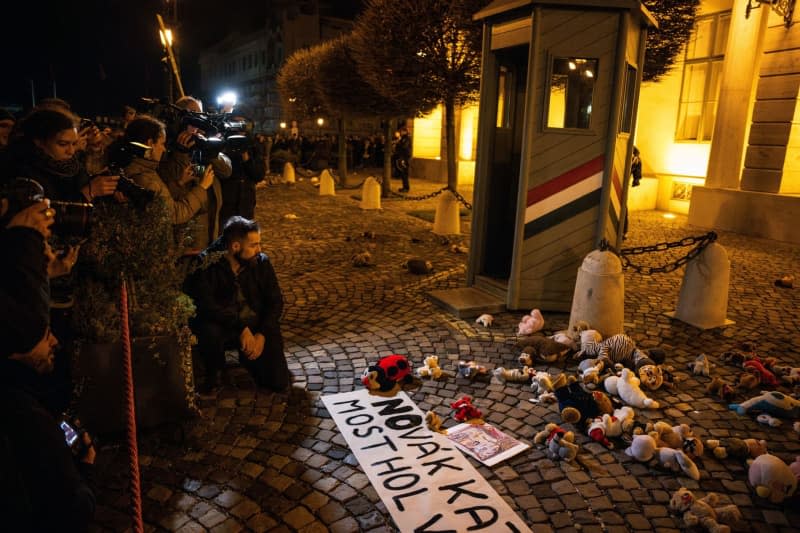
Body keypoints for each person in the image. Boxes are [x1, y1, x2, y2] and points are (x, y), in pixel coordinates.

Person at [183, 216, 291, 394]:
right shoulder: (206, 264)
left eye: (259, 244)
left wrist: (262, 335)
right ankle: (215, 371)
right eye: (253, 245)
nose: (259, 250)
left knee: (278, 382)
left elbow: (275, 301)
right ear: (235, 246)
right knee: (209, 329)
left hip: (253, 323)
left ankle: (251, 357)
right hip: (224, 324)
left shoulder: (261, 262)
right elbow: (207, 306)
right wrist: (241, 328)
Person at [122, 115, 215, 231]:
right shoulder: (143, 177)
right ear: (150, 143)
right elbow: (175, 214)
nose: (164, 149)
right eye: (161, 144)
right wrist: (202, 187)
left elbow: (160, 200)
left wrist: (180, 182)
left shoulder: (142, 168)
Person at [623, 146, 642, 239]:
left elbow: (637, 172)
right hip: (623, 183)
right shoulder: (636, 157)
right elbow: (637, 174)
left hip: (623, 183)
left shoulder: (635, 158)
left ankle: (624, 230)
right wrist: (636, 179)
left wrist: (636, 179)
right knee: (623, 206)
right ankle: (624, 230)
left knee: (623, 206)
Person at [394, 125, 411, 193]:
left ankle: (406, 187)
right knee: (403, 173)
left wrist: (398, 143)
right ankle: (404, 187)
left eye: (402, 131)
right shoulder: (403, 138)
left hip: (405, 157)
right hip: (402, 157)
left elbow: (404, 147)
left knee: (404, 173)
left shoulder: (407, 138)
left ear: (405, 132)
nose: (401, 132)